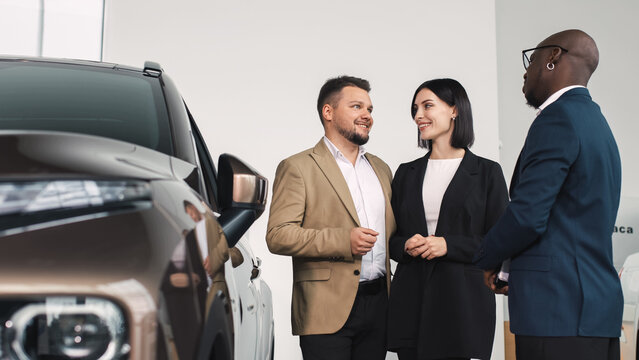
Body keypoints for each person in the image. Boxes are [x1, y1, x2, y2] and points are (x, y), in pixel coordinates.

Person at [473, 29, 622, 360]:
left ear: (553, 57)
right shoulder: (597, 123)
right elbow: (565, 219)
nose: (526, 72)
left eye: (533, 58)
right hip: (594, 311)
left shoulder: (557, 119)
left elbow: (528, 215)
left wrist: (486, 257)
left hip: (558, 313)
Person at [266, 75, 396, 360]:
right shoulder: (298, 167)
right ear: (328, 112)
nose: (367, 115)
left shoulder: (382, 169)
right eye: (357, 106)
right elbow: (278, 235)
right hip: (324, 308)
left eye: (370, 109)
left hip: (379, 305)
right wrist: (343, 240)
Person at [387, 78, 509, 360]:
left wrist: (448, 245)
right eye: (415, 108)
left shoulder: (488, 172)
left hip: (461, 306)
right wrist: (405, 245)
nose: (419, 115)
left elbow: (499, 241)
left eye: (427, 105)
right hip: (412, 303)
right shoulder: (406, 173)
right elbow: (391, 240)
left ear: (455, 110)